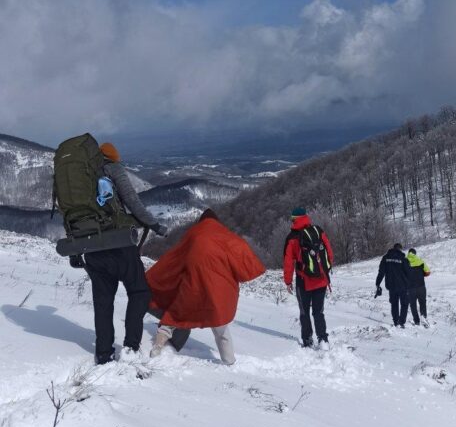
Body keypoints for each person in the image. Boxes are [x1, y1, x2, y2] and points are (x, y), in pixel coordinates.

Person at [83, 142, 168, 365]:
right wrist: (154, 225)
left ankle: (103, 353)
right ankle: (130, 347)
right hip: (118, 244)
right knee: (139, 292)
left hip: (91, 247)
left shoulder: (81, 175)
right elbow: (132, 201)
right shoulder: (113, 169)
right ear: (113, 158)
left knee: (103, 301)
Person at [145, 209, 265, 364]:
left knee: (174, 316)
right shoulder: (226, 236)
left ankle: (158, 346)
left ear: (201, 221)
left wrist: (154, 277)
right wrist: (255, 267)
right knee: (220, 325)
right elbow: (241, 252)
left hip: (192, 286)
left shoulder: (193, 234)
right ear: (216, 221)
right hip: (218, 290)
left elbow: (174, 257)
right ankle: (229, 360)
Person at [283, 207, 333, 349]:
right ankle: (323, 339)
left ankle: (308, 340)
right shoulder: (318, 231)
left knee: (304, 312)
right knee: (318, 312)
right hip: (321, 280)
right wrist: (324, 270)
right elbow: (329, 252)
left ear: (294, 219)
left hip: (303, 281)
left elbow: (288, 262)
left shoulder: (292, 237)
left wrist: (288, 281)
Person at [375, 242, 411, 328]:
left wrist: (378, 283)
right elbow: (409, 273)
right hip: (403, 286)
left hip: (391, 286)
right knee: (404, 304)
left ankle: (396, 321)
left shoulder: (385, 258)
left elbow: (381, 272)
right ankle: (401, 322)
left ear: (393, 248)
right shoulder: (403, 258)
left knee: (394, 304)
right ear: (400, 249)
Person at [405, 247, 431, 327]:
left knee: (413, 304)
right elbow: (428, 272)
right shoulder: (420, 261)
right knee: (422, 302)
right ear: (415, 254)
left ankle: (416, 321)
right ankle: (424, 317)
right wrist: (421, 274)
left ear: (408, 253)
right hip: (421, 286)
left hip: (410, 288)